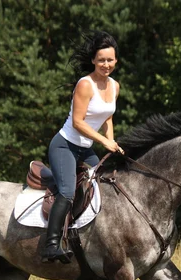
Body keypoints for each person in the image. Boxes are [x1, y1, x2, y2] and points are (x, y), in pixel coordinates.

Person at [42, 31, 124, 264]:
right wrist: (103, 141)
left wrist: (112, 142)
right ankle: (51, 245)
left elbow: (107, 117)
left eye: (110, 60)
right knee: (67, 192)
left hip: (86, 148)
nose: (106, 65)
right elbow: (78, 122)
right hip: (65, 146)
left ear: (116, 60)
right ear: (93, 61)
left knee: (105, 186)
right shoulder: (85, 85)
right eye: (101, 60)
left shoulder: (115, 87)